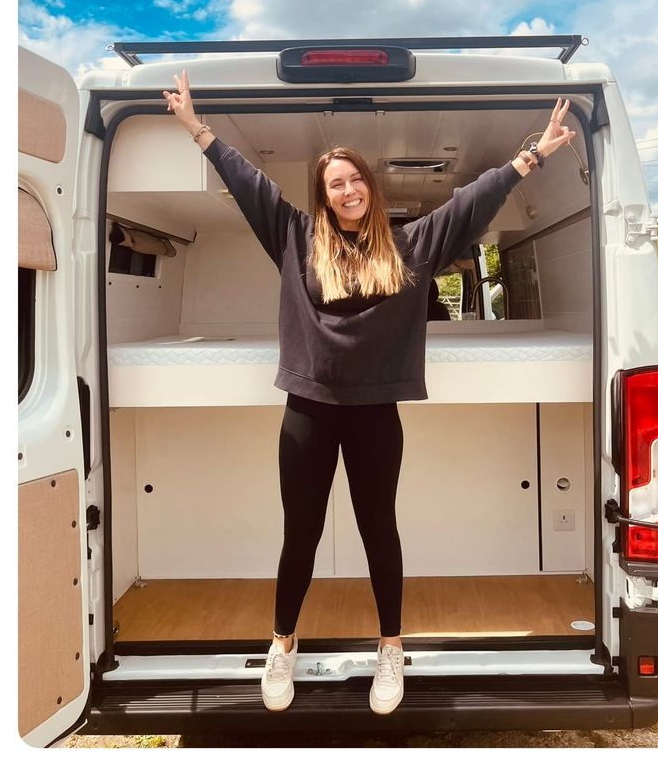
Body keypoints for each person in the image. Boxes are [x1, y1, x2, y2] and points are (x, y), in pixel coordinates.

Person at [163, 72, 575, 715]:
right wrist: (197, 126)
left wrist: (535, 152)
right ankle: (281, 645)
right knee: (299, 532)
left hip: (375, 415)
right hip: (309, 411)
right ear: (324, 197)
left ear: (369, 187)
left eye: (355, 179)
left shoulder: (410, 247)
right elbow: (250, 185)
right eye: (336, 183)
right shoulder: (297, 238)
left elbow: (472, 202)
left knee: (378, 529)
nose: (348, 189)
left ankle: (391, 649)